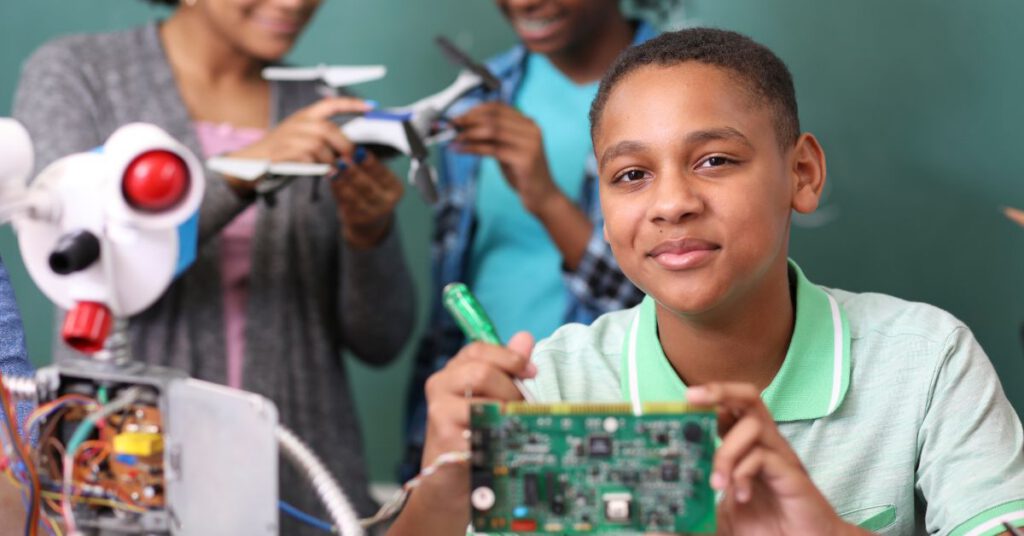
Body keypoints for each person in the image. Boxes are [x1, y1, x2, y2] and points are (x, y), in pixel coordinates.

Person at [388, 28, 1024, 535]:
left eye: (715, 161)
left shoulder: (926, 359)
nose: (672, 203)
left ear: (801, 174)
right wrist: (439, 508)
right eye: (631, 175)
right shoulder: (548, 392)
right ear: (604, 213)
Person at [13, 0, 414, 530]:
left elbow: (381, 339)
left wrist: (370, 235)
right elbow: (69, 255)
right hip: (126, 469)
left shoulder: (326, 109)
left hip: (306, 486)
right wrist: (243, 172)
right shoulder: (77, 72)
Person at [403, 0, 657, 480]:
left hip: (607, 427)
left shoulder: (685, 92)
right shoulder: (478, 99)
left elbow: (683, 301)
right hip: (476, 412)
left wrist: (545, 197)